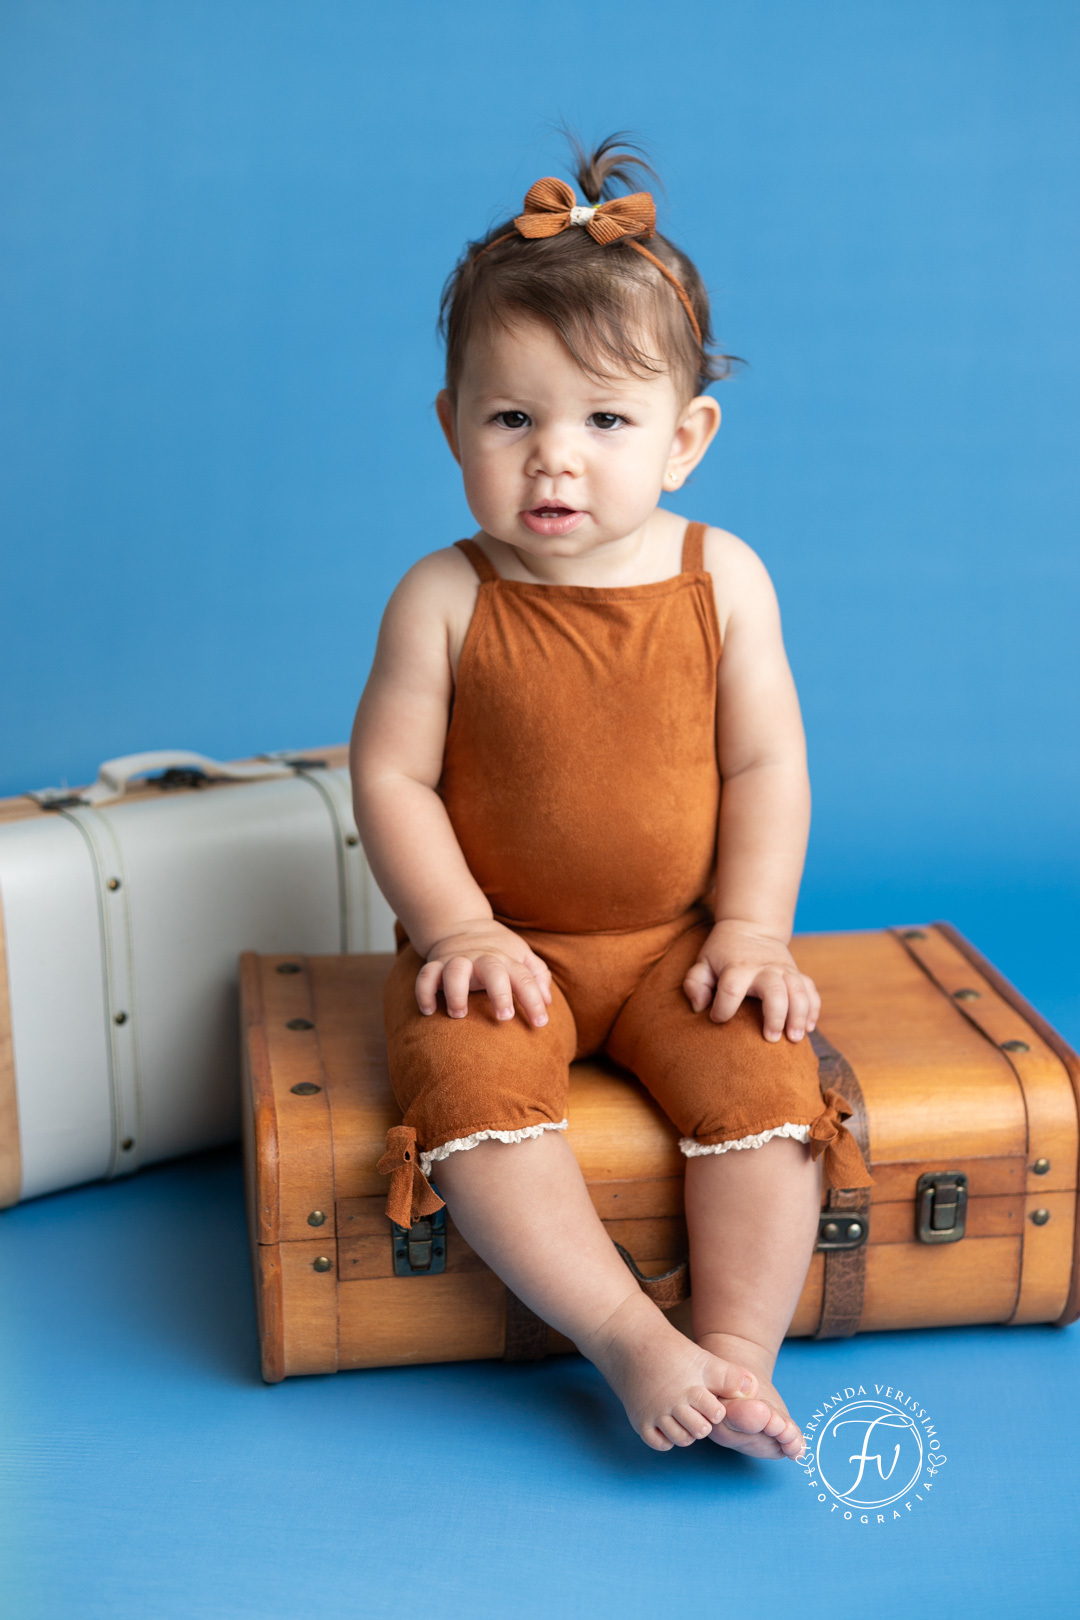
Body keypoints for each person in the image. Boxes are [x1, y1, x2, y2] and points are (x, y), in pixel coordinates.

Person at [351, 136, 870, 1459]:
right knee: (469, 1097)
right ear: (451, 426)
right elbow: (392, 777)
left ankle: (736, 1352)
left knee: (768, 1083)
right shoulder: (444, 595)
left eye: (605, 421)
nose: (555, 463)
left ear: (686, 440)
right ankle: (629, 1335)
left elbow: (766, 767)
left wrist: (752, 930)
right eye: (512, 420)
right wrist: (459, 927)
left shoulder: (723, 578)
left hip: (674, 947)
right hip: (503, 950)